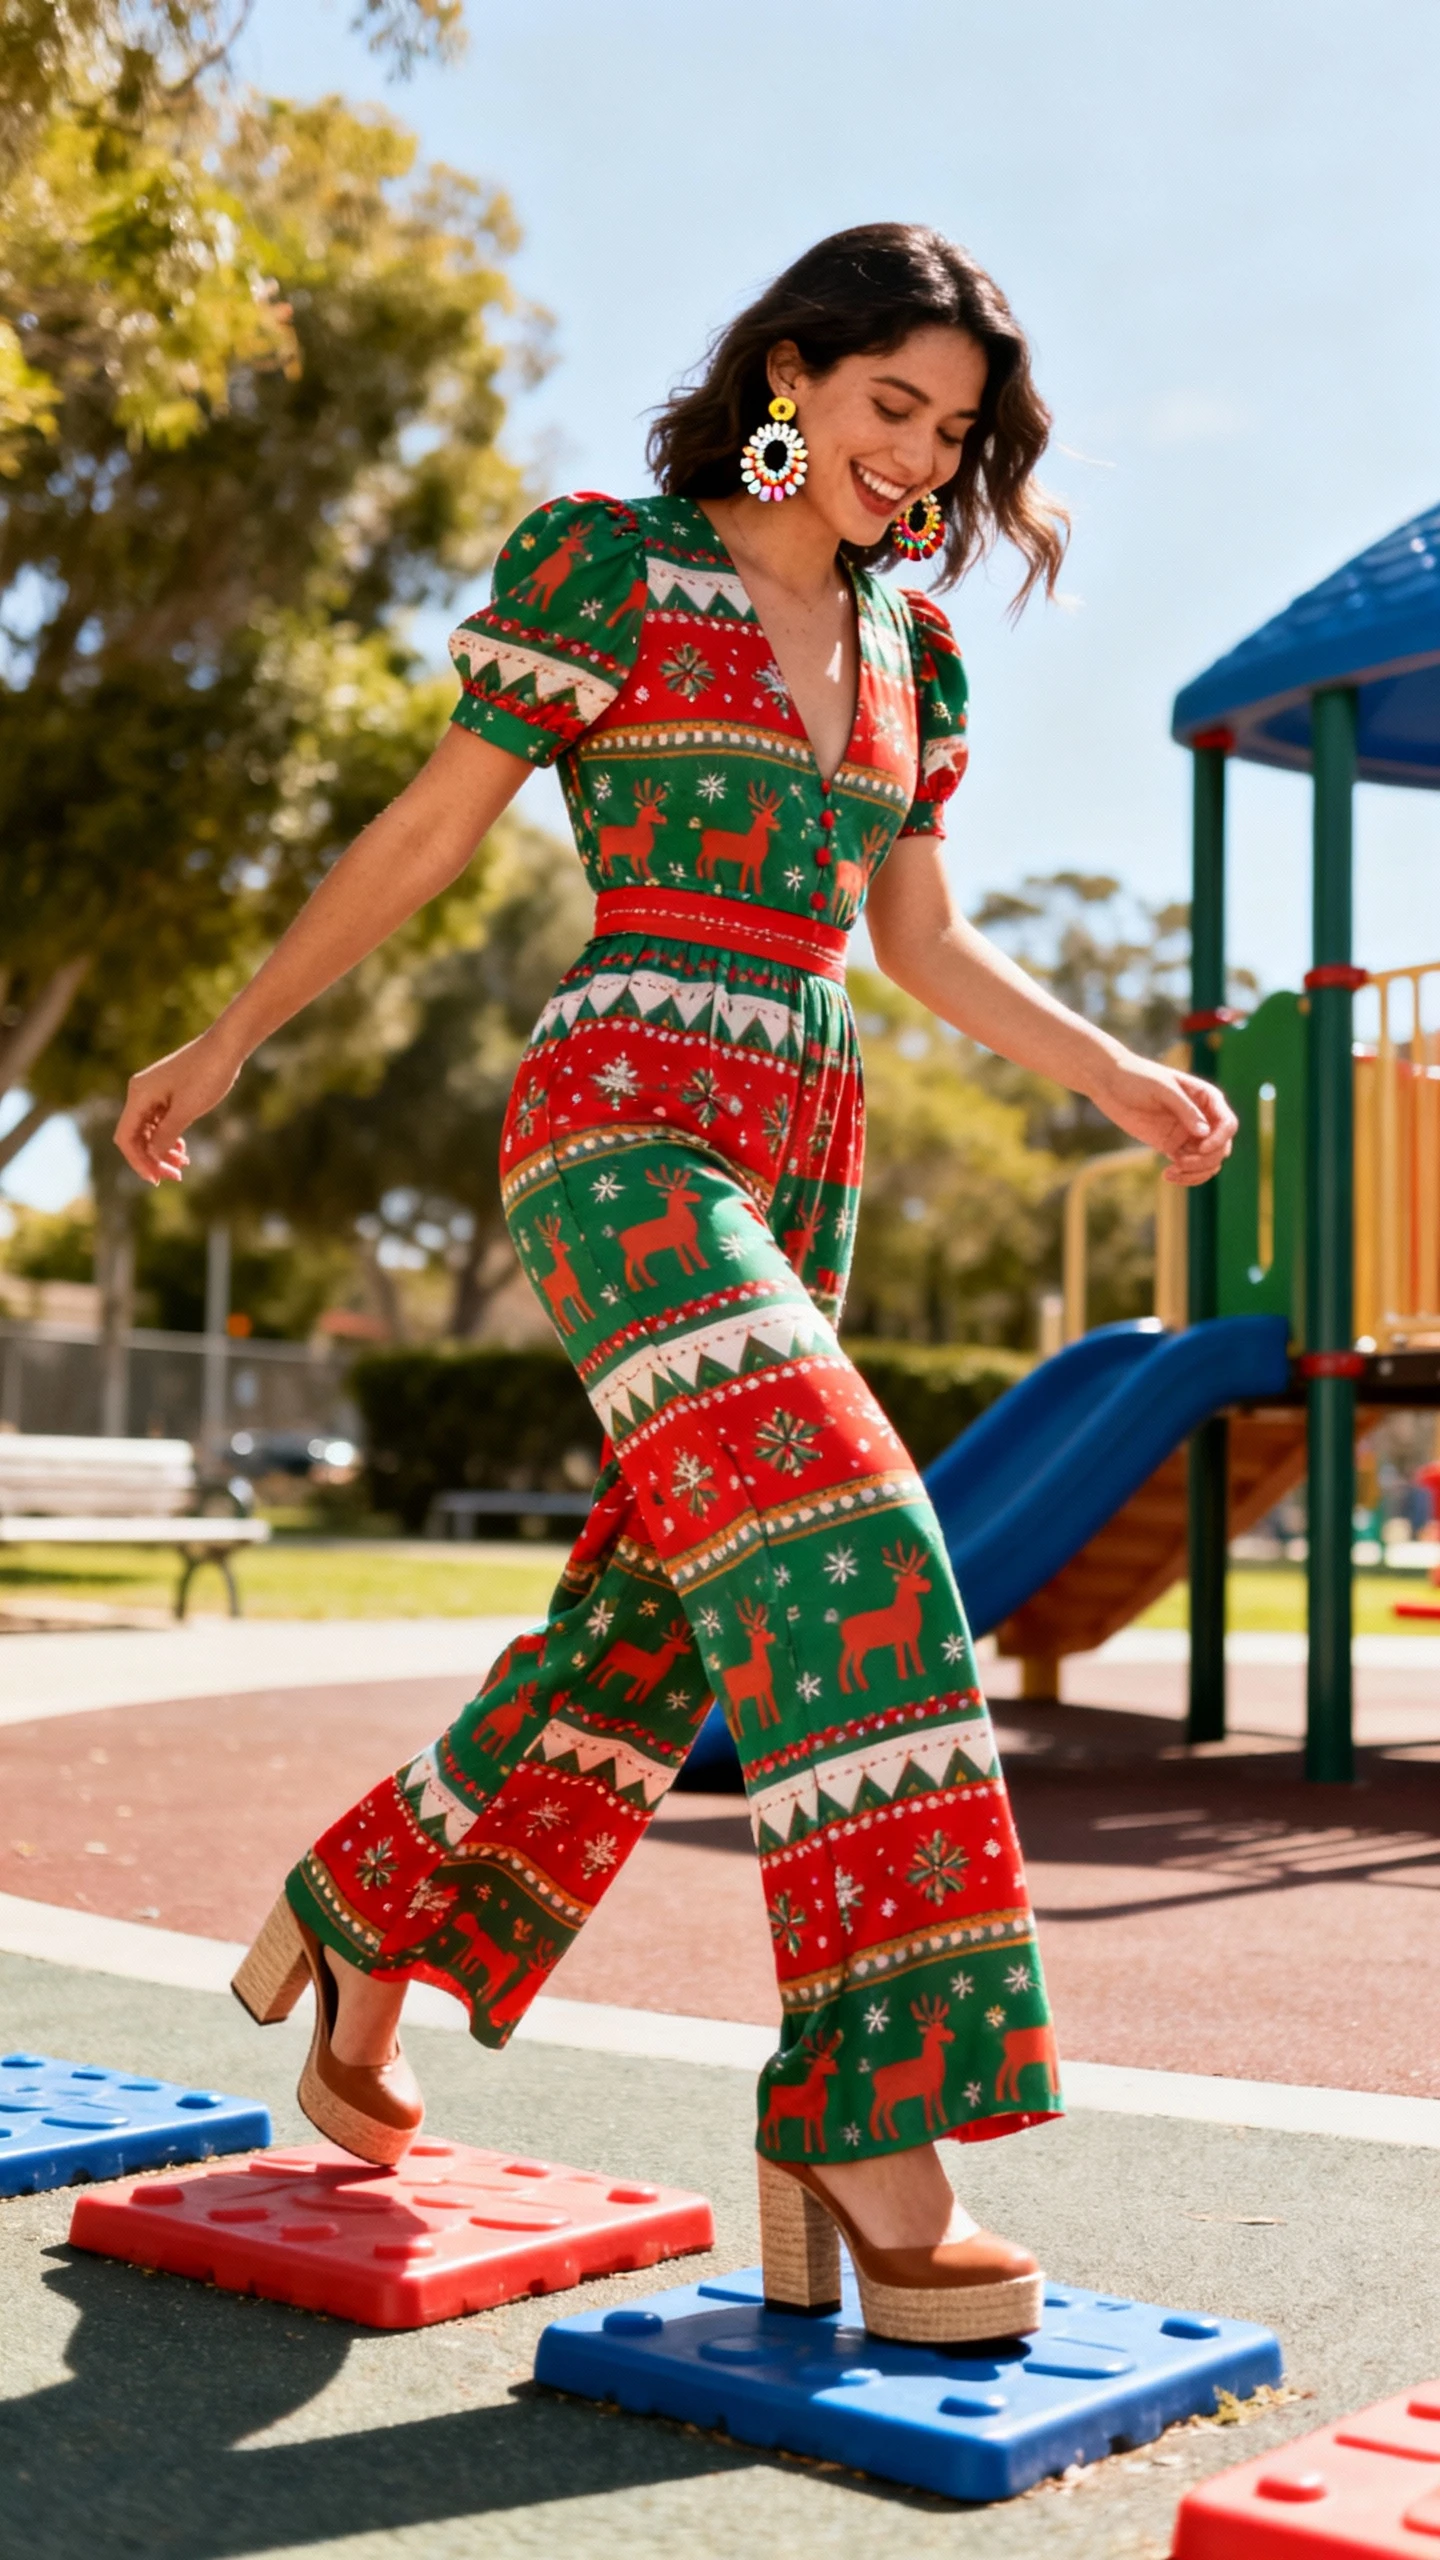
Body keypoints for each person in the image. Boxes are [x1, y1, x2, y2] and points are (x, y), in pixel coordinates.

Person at [116, 222, 1235, 2345]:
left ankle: (366, 1915)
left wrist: (1108, 1072)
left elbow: (913, 944)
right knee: (864, 1548)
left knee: (648, 1634)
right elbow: (434, 828)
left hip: (813, 1135)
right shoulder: (611, 565)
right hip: (624, 1118)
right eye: (890, 406)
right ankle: (869, 2123)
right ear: (793, 374)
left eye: (957, 432)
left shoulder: (920, 651)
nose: (916, 460)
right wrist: (233, 1031)